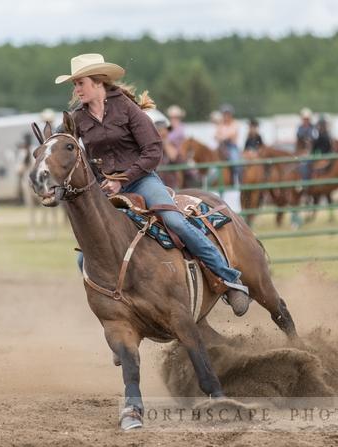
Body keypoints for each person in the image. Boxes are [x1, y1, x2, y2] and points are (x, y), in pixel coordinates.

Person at [55, 53, 250, 315]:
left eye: (81, 83)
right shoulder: (78, 118)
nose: (76, 89)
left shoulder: (125, 108)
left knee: (176, 222)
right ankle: (119, 316)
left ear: (98, 82)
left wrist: (122, 179)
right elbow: (62, 144)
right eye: (75, 85)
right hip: (107, 189)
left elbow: (153, 150)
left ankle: (229, 280)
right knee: (85, 257)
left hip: (141, 181)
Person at [214, 104, 241, 185]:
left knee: (235, 162)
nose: (226, 116)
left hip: (231, 146)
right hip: (221, 147)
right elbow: (216, 135)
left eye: (227, 114)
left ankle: (237, 180)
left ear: (230, 115)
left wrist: (222, 137)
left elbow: (231, 135)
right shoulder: (220, 124)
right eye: (224, 114)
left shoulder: (235, 123)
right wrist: (221, 138)